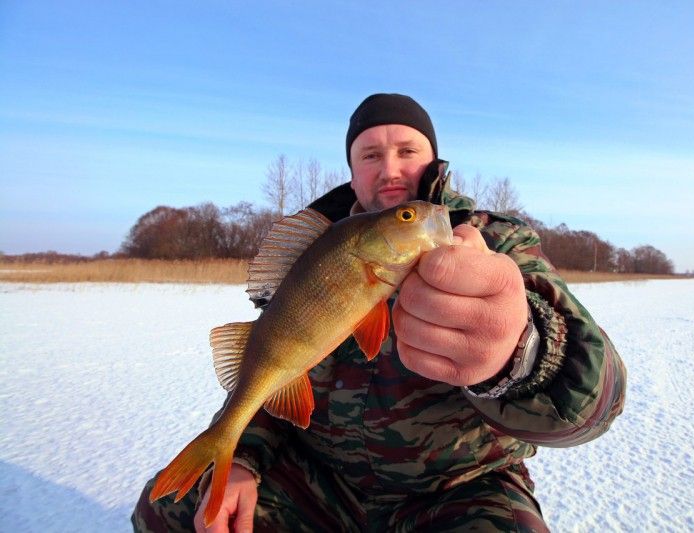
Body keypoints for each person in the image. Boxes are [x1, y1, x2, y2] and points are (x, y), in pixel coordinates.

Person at [133, 93, 626, 532]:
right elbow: (271, 365)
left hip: (457, 490)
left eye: (407, 151)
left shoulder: (496, 244)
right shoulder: (315, 250)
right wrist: (241, 457)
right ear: (352, 170)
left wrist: (521, 350)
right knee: (169, 516)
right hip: (321, 481)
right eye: (371, 154)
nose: (390, 168)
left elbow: (595, 403)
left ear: (434, 162)